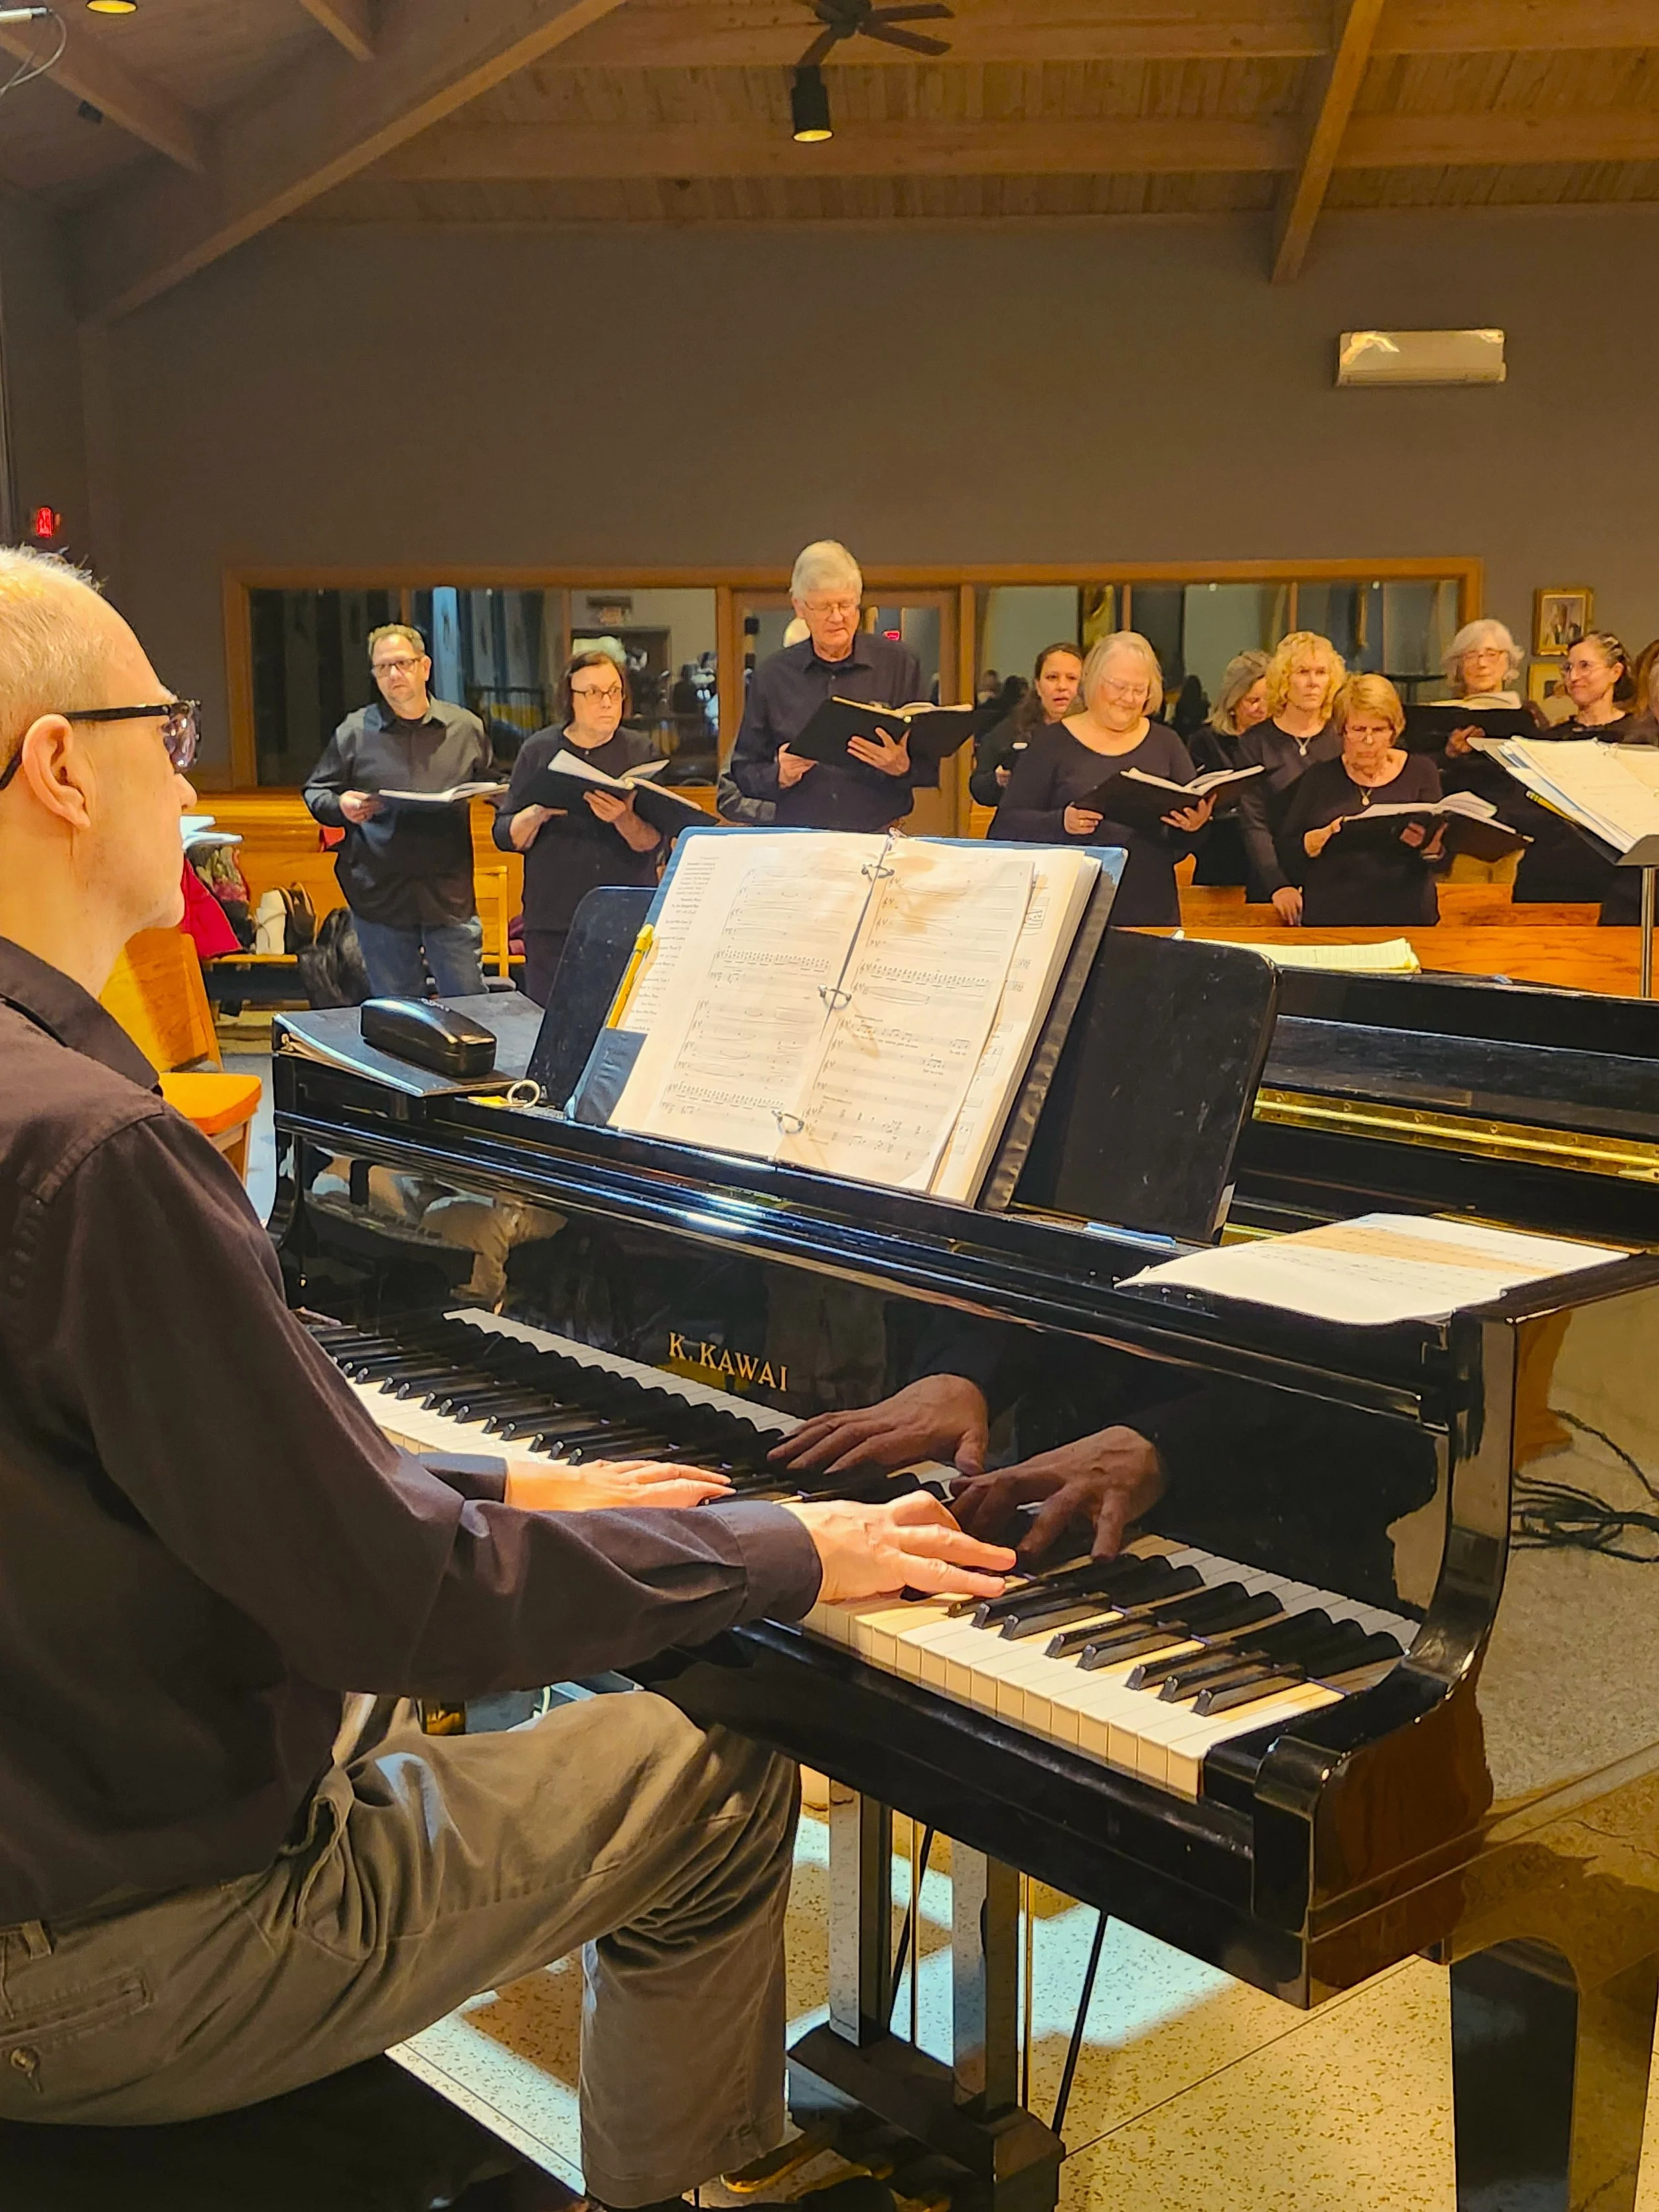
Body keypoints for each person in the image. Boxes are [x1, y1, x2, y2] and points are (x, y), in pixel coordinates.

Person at [0, 548, 1014, 2190]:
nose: (180, 773)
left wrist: (507, 1476)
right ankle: (692, 2180)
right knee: (719, 1778)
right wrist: (787, 1545)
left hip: (46, 1802)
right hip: (100, 1955)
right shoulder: (95, 1147)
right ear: (59, 767)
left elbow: (181, 1483)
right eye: (164, 733)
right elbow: (396, 1603)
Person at [304, 624, 490, 1001]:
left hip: (447, 892)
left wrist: (500, 797)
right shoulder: (355, 731)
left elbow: (492, 780)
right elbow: (316, 791)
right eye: (382, 668)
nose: (393, 675)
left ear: (425, 667)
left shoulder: (465, 729)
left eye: (402, 664)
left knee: (471, 1004)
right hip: (381, 894)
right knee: (398, 1014)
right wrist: (342, 805)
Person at [988, 631, 1213, 927]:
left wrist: (1194, 826)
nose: (1129, 699)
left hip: (1148, 908)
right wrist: (1062, 822)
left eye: (1139, 690)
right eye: (1119, 687)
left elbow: (1183, 841)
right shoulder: (1052, 744)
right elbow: (1005, 827)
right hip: (1067, 910)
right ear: (1094, 682)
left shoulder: (1166, 743)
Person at [494, 651, 665, 1007]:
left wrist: (623, 818)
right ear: (570, 699)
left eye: (614, 691)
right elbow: (506, 834)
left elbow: (654, 842)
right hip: (554, 919)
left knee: (621, 1024)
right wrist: (538, 811)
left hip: (624, 917)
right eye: (593, 693)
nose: (607, 702)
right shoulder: (539, 750)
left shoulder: (641, 751)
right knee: (551, 1025)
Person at [726, 542, 922, 833]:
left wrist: (902, 767)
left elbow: (929, 765)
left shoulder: (899, 664)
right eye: (824, 607)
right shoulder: (772, 676)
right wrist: (778, 775)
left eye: (845, 605)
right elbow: (744, 772)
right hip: (799, 842)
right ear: (800, 608)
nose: (837, 617)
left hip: (878, 836)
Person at [1276, 674, 1444, 926]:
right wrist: (1312, 842)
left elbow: (1439, 850)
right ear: (1342, 731)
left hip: (1407, 916)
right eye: (1358, 730)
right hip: (1333, 919)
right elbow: (1286, 851)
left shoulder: (1422, 772)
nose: (1368, 740)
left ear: (1394, 731)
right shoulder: (1319, 778)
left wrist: (1433, 850)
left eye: (1378, 730)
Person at [1512, 630, 1641, 906]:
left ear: (1615, 672)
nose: (1573, 677)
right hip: (1547, 877)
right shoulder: (1550, 739)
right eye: (1568, 668)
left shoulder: (1638, 738)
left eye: (1585, 666)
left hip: (1616, 880)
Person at [1232, 630, 1346, 922]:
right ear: (1284, 680)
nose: (1312, 683)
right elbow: (1253, 823)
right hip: (1273, 885)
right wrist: (1277, 884)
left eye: (1321, 673)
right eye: (1302, 672)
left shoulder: (1344, 735)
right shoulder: (1256, 742)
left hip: (1338, 883)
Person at [1188, 648, 1270, 888]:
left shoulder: (1280, 743)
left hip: (1269, 859)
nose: (1262, 710)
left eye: (1269, 700)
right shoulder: (1205, 742)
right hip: (1221, 857)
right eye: (1253, 701)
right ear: (1232, 703)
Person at [968, 640, 1080, 808]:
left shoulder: (1101, 729)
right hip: (1023, 825)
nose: (1062, 686)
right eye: (1052, 678)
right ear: (1038, 685)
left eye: (1071, 678)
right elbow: (979, 788)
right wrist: (998, 780)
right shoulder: (1014, 727)